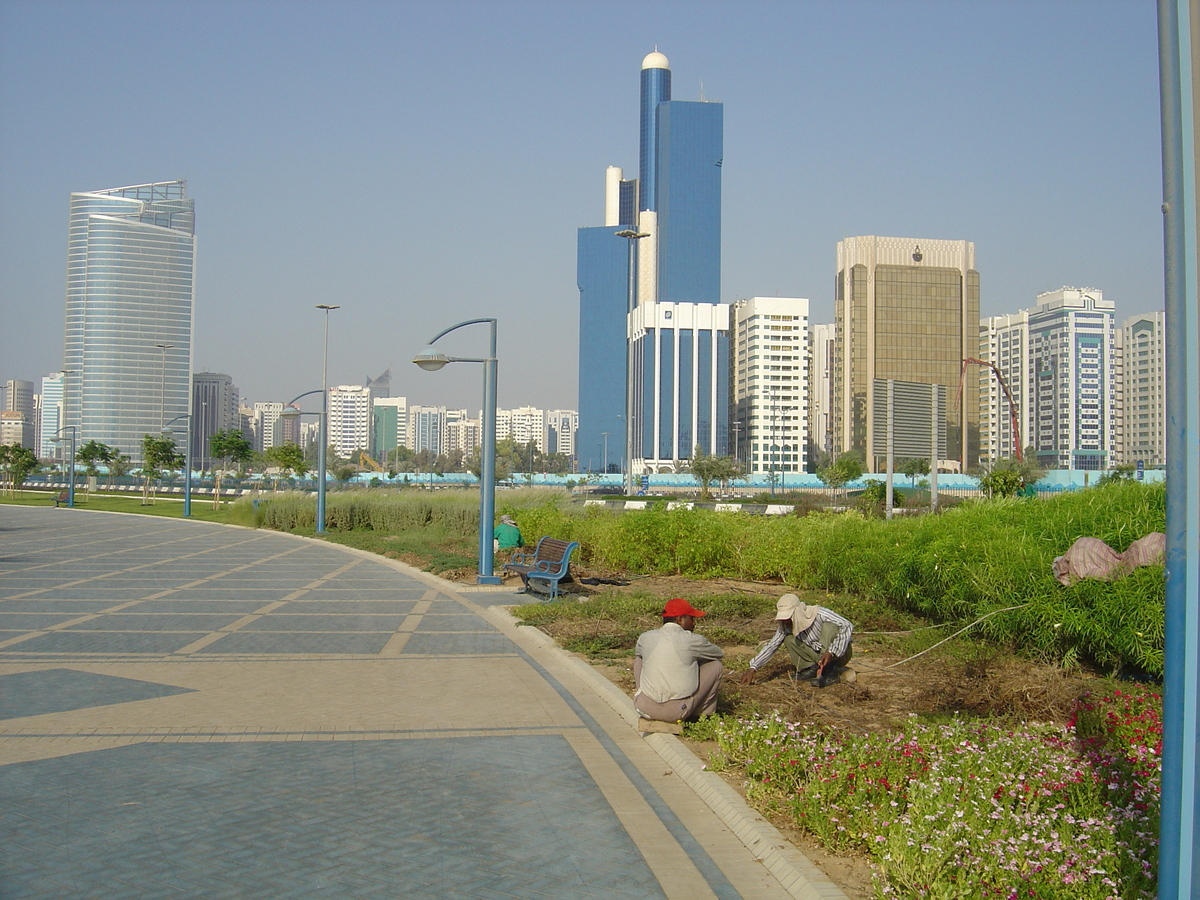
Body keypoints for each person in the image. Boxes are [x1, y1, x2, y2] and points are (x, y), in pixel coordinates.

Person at [634, 598, 725, 723]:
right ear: (680, 619)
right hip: (676, 712)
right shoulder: (693, 640)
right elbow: (718, 653)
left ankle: (641, 695)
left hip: (644, 708)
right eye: (691, 618)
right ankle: (702, 715)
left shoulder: (645, 637)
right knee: (715, 666)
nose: (694, 623)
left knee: (640, 658)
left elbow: (639, 654)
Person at [740, 593, 854, 687]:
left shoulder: (820, 614)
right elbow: (772, 645)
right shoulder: (786, 626)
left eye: (788, 617)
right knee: (789, 639)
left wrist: (831, 651)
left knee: (829, 627)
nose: (786, 621)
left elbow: (847, 625)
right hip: (818, 656)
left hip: (839, 654)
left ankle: (830, 673)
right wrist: (753, 668)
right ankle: (810, 669)